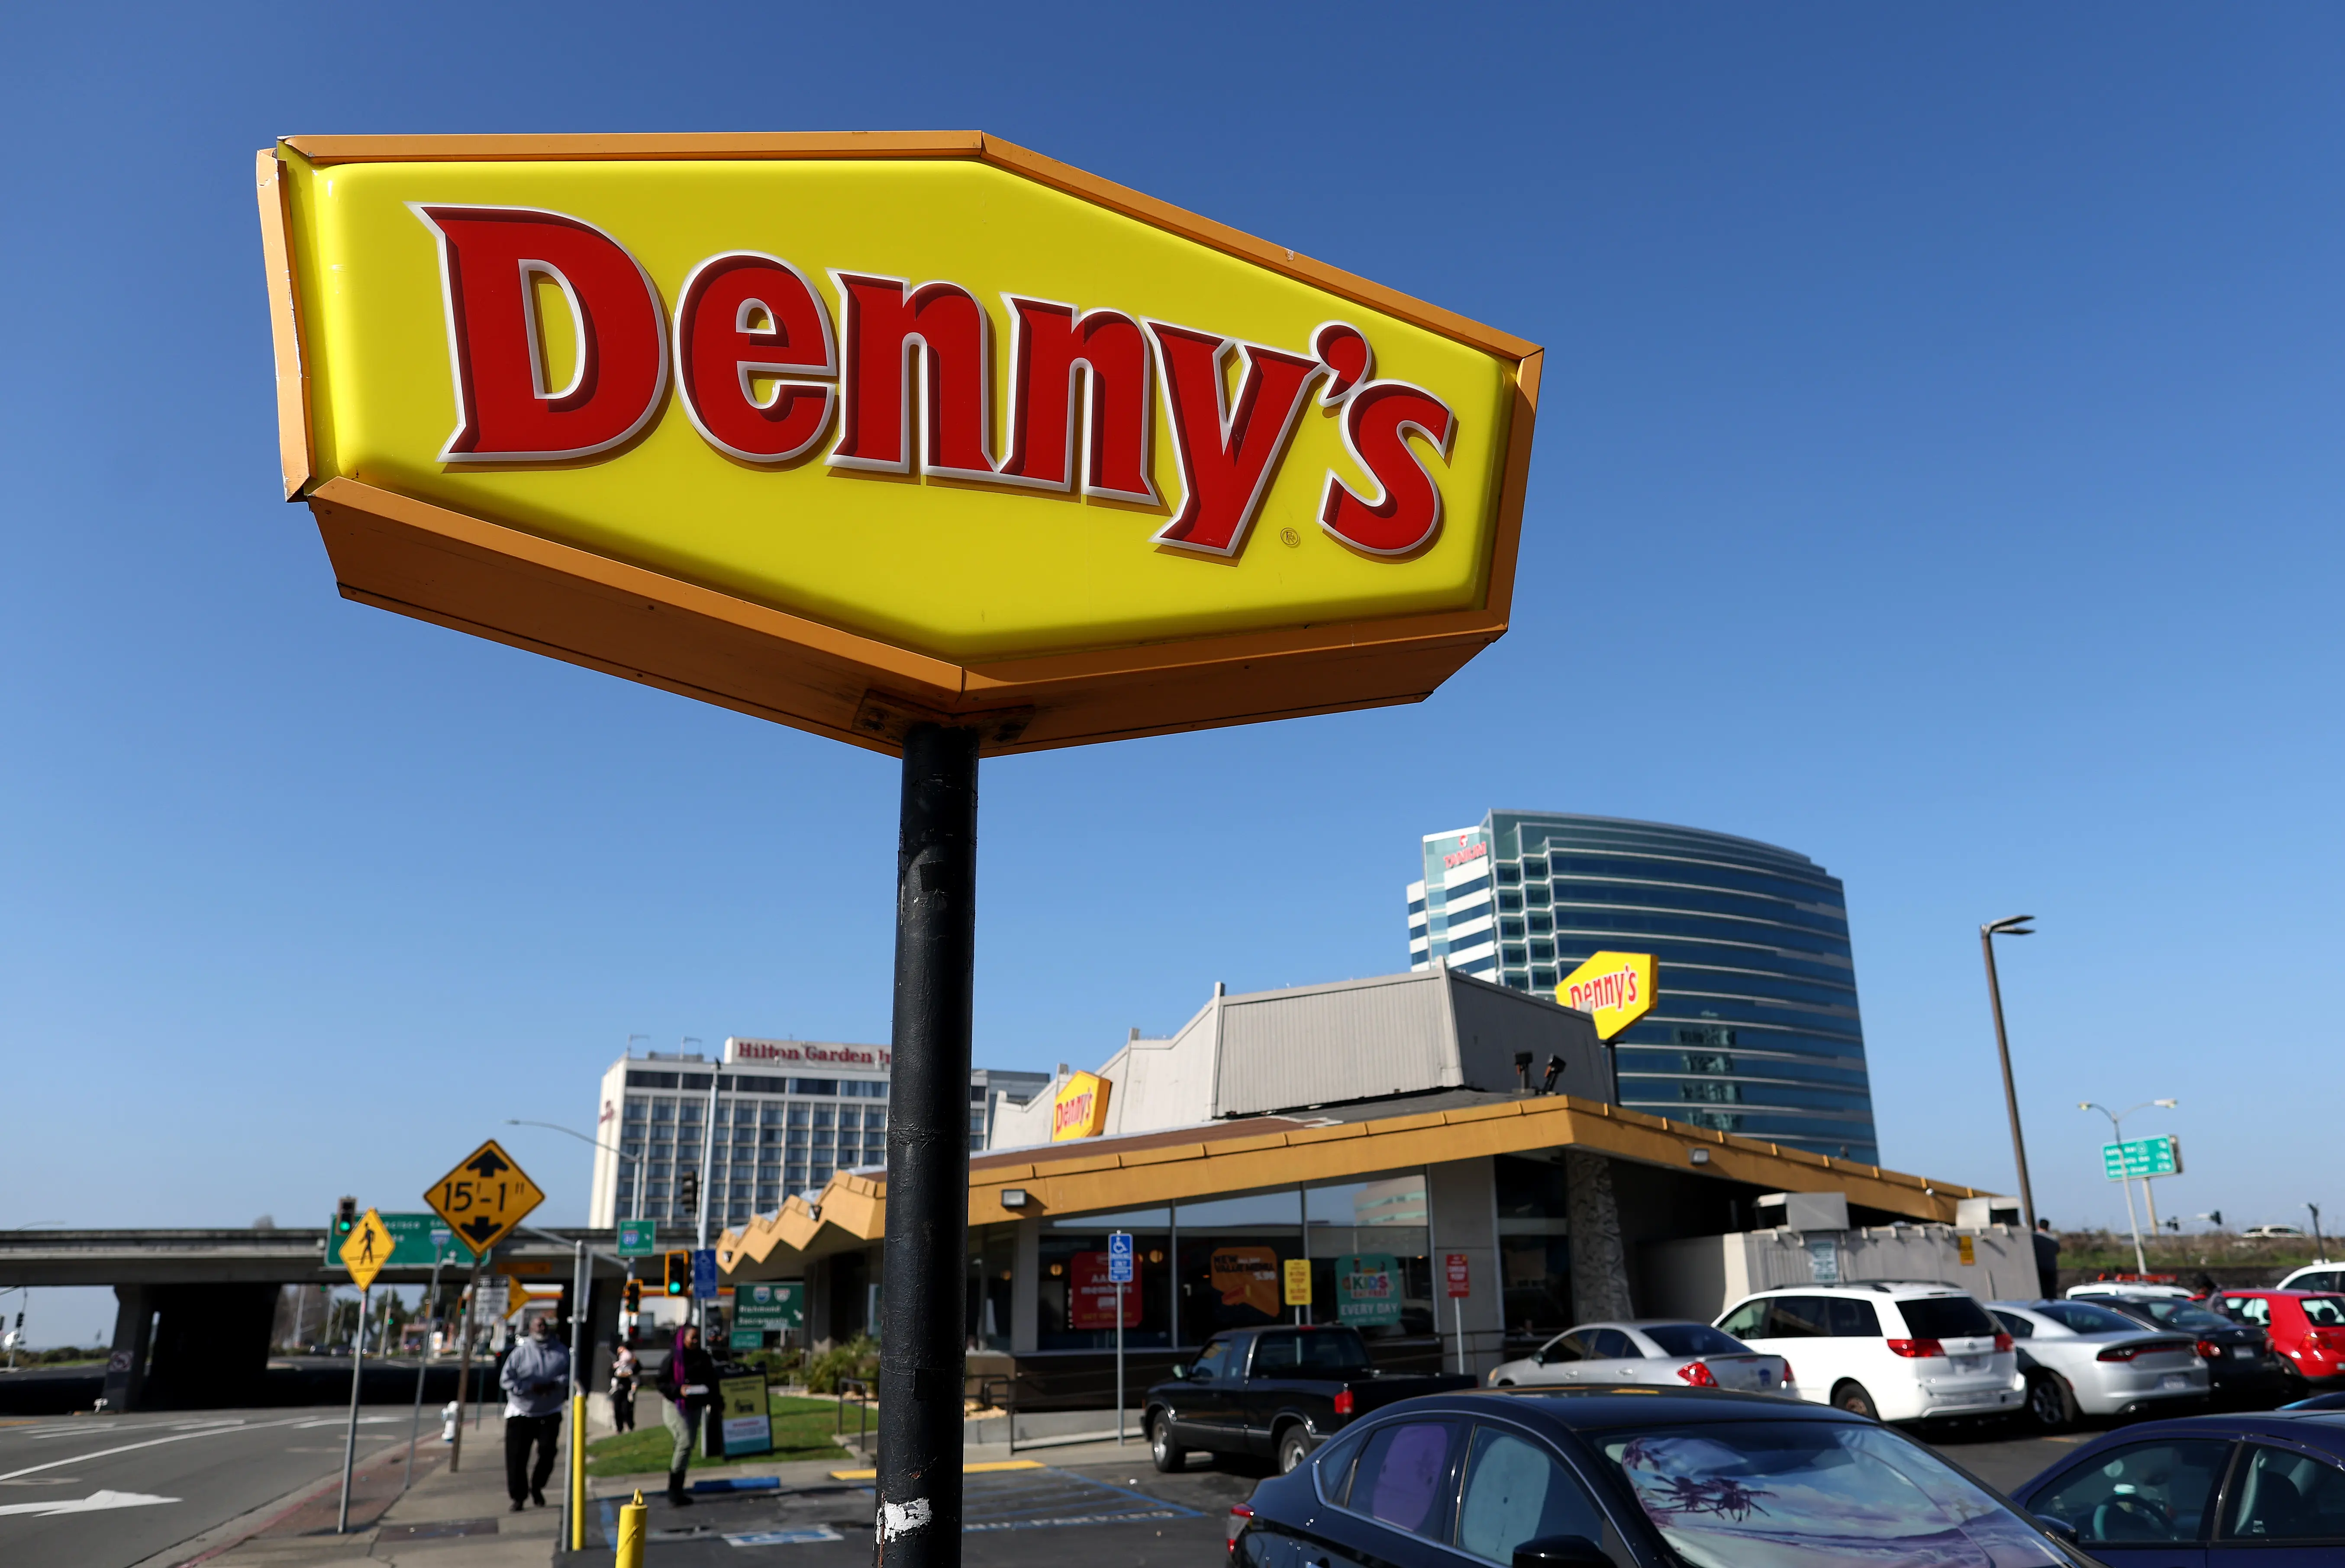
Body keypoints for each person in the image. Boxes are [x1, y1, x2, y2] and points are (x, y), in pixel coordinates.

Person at [498, 1316, 572, 1513]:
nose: (542, 1328)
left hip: (550, 1410)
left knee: (548, 1452)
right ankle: (518, 1497)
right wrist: (529, 1387)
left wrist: (555, 1384)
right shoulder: (520, 1354)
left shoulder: (562, 1351)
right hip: (521, 1411)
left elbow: (571, 1375)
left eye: (545, 1325)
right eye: (538, 1325)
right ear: (531, 1329)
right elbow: (506, 1380)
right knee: (517, 1457)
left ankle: (537, 1486)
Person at [656, 1323, 717, 1507]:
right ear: (683, 1339)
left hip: (695, 1405)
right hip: (675, 1405)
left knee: (687, 1445)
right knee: (685, 1442)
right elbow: (661, 1383)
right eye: (693, 1338)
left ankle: (679, 1488)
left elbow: (712, 1380)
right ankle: (674, 1490)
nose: (696, 1341)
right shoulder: (674, 1359)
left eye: (698, 1337)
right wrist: (678, 1390)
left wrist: (716, 1400)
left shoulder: (703, 1358)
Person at [610, 1340, 640, 1433]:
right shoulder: (617, 1363)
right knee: (617, 1409)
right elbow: (611, 1373)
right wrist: (618, 1374)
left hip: (629, 1388)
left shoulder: (634, 1362)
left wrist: (629, 1374)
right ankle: (620, 1428)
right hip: (618, 1388)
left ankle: (630, 1426)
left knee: (627, 1408)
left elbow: (637, 1369)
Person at [2033, 1217, 2062, 1300]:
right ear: (2048, 1227)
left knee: (2042, 1291)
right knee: (2052, 1291)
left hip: (2039, 1267)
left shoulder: (2034, 1237)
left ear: (2038, 1226)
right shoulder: (2053, 1237)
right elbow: (2058, 1250)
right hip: (2051, 1267)